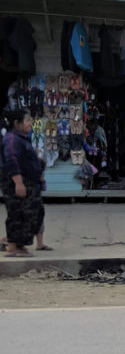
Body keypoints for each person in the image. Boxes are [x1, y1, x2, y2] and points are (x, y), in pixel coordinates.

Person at [2, 109, 45, 258]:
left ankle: (19, 245)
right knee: (18, 213)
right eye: (27, 120)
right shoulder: (12, 139)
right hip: (16, 182)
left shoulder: (22, 139)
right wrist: (18, 183)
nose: (30, 123)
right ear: (17, 123)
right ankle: (13, 247)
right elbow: (11, 160)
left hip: (29, 182)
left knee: (33, 212)